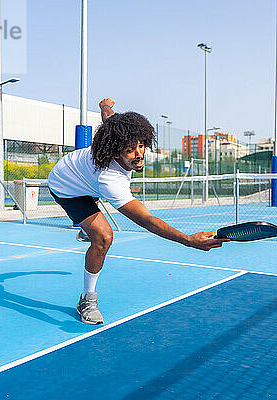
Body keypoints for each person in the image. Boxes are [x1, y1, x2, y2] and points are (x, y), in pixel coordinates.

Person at [47, 98, 229, 325]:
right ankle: (87, 299)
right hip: (66, 186)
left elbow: (109, 117)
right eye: (130, 150)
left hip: (85, 179)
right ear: (115, 153)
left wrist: (104, 105)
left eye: (141, 146)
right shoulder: (110, 179)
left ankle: (87, 228)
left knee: (97, 227)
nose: (139, 154)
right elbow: (146, 219)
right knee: (103, 237)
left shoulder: (118, 133)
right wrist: (187, 240)